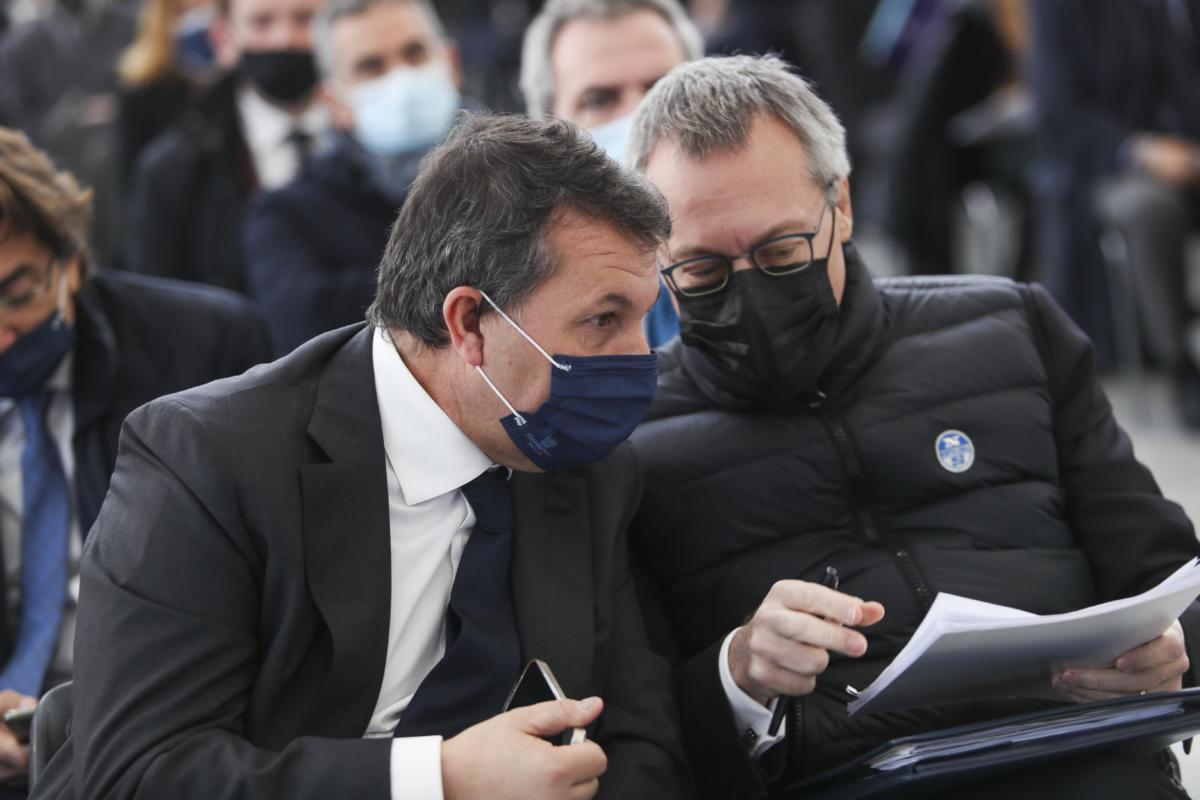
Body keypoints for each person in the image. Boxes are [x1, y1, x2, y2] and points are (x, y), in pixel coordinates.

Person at [31, 113, 691, 800]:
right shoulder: (208, 460)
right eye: (603, 320)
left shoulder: (589, 466)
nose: (640, 357)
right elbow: (140, 775)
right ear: (468, 323)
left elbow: (639, 741)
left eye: (644, 318)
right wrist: (439, 780)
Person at [626, 54, 1200, 799]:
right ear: (657, 259)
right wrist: (738, 677)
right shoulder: (630, 441)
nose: (751, 293)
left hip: (1079, 763)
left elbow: (1168, 573)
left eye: (781, 252)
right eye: (702, 272)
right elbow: (634, 728)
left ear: (842, 206)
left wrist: (1173, 649)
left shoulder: (1012, 331)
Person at [0, 126, 270, 792]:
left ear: (71, 262)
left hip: (154, 721)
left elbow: (270, 587)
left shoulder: (204, 347)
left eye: (17, 294)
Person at [244, 0, 463, 355]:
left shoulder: (520, 172)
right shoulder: (289, 215)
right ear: (334, 102)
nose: (401, 78)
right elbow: (306, 330)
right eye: (371, 66)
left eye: (415, 53)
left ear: (452, 63)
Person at [1030, 0, 1200, 428]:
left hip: (1189, 147)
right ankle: (1180, 363)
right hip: (1115, 164)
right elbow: (1061, 108)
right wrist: (1141, 150)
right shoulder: (1060, 10)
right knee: (1149, 210)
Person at [520, 0, 703, 349]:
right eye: (600, 100)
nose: (641, 117)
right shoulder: (523, 309)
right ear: (546, 130)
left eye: (663, 90)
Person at [125, 0, 328, 292]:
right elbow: (158, 298)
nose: (284, 39)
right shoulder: (176, 168)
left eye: (305, 18)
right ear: (223, 35)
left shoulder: (379, 135)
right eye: (261, 23)